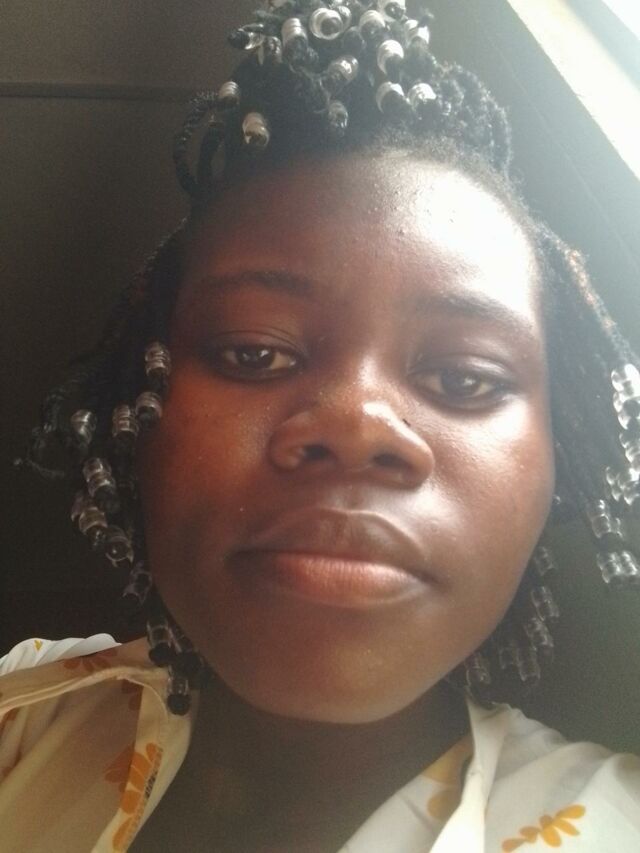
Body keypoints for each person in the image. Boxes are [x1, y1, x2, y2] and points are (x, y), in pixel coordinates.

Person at [1, 1, 639, 850]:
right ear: (134, 417)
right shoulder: (22, 710)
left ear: (556, 463)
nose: (357, 425)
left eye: (464, 378)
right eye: (254, 353)